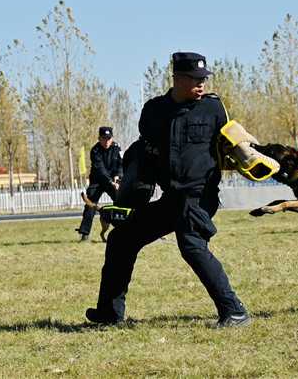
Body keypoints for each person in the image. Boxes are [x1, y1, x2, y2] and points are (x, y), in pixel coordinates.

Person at [85, 52, 251, 328]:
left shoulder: (214, 109)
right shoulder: (153, 111)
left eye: (204, 79)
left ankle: (234, 311)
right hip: (171, 198)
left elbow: (238, 144)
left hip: (198, 196)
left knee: (192, 246)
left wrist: (257, 158)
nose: (201, 84)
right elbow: (145, 153)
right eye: (195, 79)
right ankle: (109, 314)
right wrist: (133, 193)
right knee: (120, 240)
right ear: (176, 78)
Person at [76, 126, 123, 242]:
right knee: (91, 204)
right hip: (98, 181)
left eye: (109, 138)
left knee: (121, 201)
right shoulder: (95, 150)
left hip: (113, 180)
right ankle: (84, 234)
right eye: (104, 138)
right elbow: (100, 169)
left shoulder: (117, 148)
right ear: (99, 138)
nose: (107, 141)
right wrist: (111, 181)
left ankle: (122, 229)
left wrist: (118, 176)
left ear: (112, 138)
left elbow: (121, 165)